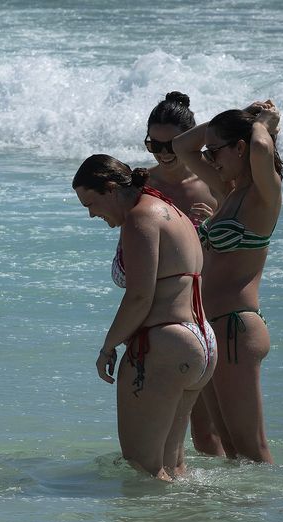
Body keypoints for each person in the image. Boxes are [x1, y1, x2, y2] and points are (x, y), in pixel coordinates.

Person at [73, 155, 217, 481]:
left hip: (166, 344)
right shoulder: (171, 210)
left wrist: (107, 348)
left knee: (143, 470)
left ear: (111, 189)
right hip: (201, 342)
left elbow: (140, 297)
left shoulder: (141, 218)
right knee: (174, 468)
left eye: (91, 203)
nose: (91, 214)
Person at [173, 100, 283, 463]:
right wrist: (238, 117)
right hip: (212, 327)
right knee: (231, 452)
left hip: (237, 327)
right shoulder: (229, 191)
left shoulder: (263, 195)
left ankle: (268, 518)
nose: (210, 157)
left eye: (216, 150)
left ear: (241, 148)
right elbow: (181, 147)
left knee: (252, 450)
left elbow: (262, 148)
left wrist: (261, 124)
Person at [142, 91, 225, 457]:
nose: (161, 152)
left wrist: (212, 229)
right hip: (163, 316)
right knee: (166, 432)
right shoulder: (142, 182)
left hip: (210, 311)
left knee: (210, 430)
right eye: (152, 143)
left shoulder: (216, 182)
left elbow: (245, 247)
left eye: (170, 145)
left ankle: (230, 507)